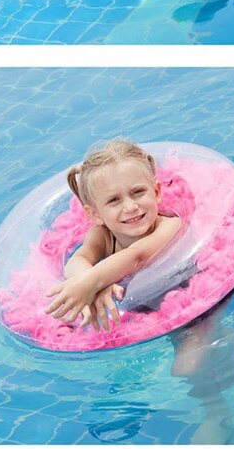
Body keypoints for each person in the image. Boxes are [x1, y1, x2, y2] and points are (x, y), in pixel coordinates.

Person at [44, 140, 181, 331]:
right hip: (137, 311)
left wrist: (92, 282)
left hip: (180, 297)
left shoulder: (169, 225)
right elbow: (77, 260)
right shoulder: (103, 235)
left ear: (156, 192)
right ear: (95, 214)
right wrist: (96, 287)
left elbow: (136, 256)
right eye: (114, 200)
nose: (131, 207)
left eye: (138, 192)